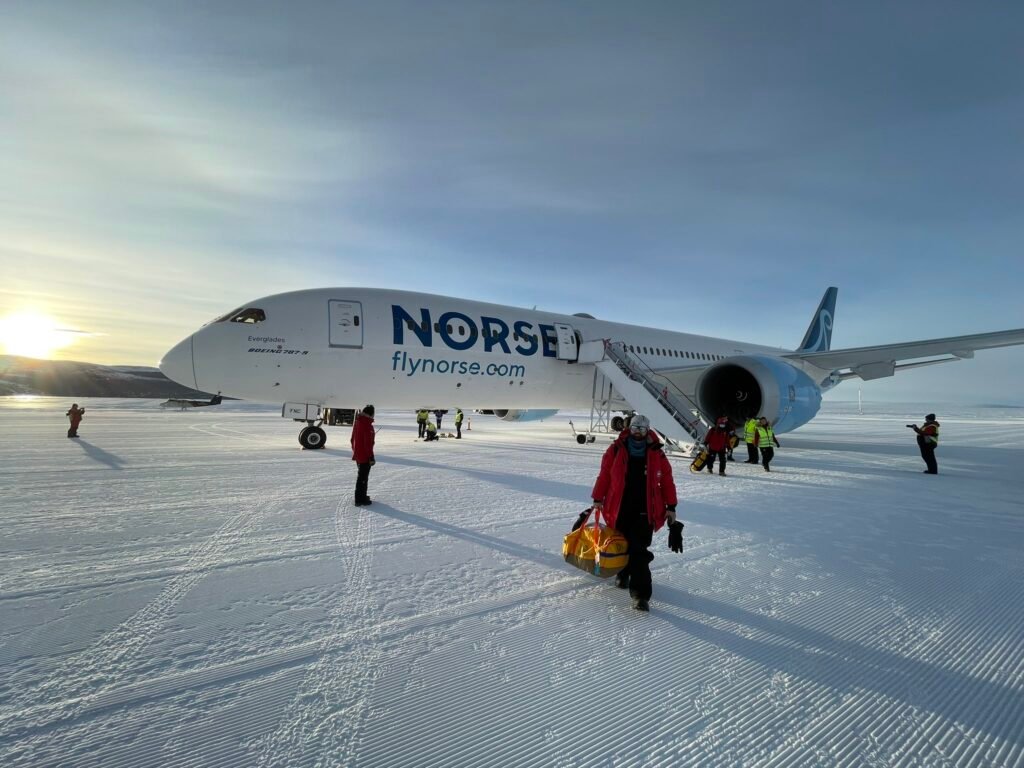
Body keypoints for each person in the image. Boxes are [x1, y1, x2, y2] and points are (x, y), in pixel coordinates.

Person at [590, 414, 679, 612]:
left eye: (642, 429)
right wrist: (597, 498)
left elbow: (666, 480)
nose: (638, 432)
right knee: (620, 544)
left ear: (648, 431)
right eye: (635, 428)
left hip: (645, 510)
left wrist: (671, 506)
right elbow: (604, 474)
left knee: (639, 551)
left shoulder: (656, 453)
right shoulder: (615, 449)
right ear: (629, 429)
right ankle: (623, 573)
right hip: (619, 507)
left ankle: (640, 595)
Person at [350, 405, 376, 506]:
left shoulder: (358, 422)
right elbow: (367, 443)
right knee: (363, 478)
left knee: (361, 477)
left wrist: (355, 451)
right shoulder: (367, 425)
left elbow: (352, 439)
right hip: (364, 456)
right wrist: (371, 457)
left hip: (358, 454)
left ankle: (361, 496)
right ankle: (360, 499)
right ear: (370, 414)